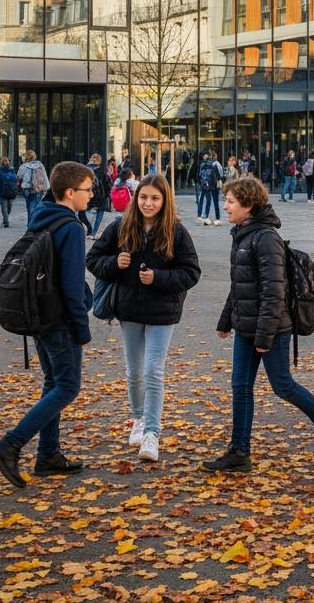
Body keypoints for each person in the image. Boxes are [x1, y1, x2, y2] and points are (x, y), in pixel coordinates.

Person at [204, 175, 314, 472]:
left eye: (230, 201)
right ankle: (239, 451)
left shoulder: (266, 238)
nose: (225, 206)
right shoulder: (243, 233)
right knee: (240, 386)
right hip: (247, 326)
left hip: (271, 328)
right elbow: (241, 284)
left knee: (282, 385)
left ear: (248, 205)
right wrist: (226, 319)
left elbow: (274, 292)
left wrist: (264, 336)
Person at [0, 162, 95, 487]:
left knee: (53, 382)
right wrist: (82, 328)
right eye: (88, 190)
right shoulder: (72, 227)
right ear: (70, 193)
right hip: (59, 319)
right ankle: (10, 445)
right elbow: (73, 286)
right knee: (67, 386)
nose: (91, 195)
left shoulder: (42, 219)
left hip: (39, 316)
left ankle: (48, 454)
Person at [86, 174, 201, 462]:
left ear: (165, 202)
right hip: (129, 310)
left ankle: (152, 432)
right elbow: (93, 260)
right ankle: (138, 419)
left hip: (163, 312)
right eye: (144, 197)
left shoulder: (176, 231)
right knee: (134, 371)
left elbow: (191, 272)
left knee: (153, 370)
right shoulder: (121, 226)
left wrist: (158, 278)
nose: (148, 203)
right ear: (136, 199)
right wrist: (115, 263)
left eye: (155, 198)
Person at [19, 150, 50, 223]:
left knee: (29, 207)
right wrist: (47, 187)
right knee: (35, 207)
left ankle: (31, 224)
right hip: (38, 189)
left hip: (27, 189)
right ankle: (34, 224)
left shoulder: (23, 166)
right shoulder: (40, 165)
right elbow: (44, 176)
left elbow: (19, 176)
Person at [86, 153, 112, 238]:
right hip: (100, 196)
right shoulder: (101, 171)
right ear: (99, 161)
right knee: (99, 213)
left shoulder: (85, 169)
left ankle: (89, 230)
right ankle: (93, 232)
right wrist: (107, 195)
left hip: (89, 195)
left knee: (84, 213)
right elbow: (107, 184)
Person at [198, 150, 224, 225]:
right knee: (216, 202)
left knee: (208, 202)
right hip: (214, 185)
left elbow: (200, 175)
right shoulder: (215, 164)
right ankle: (217, 218)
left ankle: (206, 217)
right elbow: (220, 176)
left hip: (206, 185)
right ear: (213, 156)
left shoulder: (203, 164)